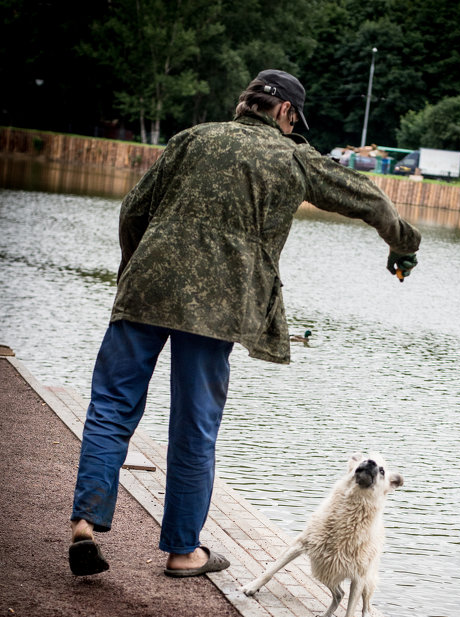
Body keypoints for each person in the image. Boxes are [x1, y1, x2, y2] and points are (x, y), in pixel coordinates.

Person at [69, 69, 421, 578]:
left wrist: (134, 270)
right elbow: (371, 200)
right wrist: (404, 245)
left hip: (146, 291)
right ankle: (182, 551)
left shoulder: (192, 139)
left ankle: (84, 522)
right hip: (219, 310)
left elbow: (132, 211)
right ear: (285, 113)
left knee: (111, 407)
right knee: (194, 428)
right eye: (294, 119)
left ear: (245, 103)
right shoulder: (295, 157)